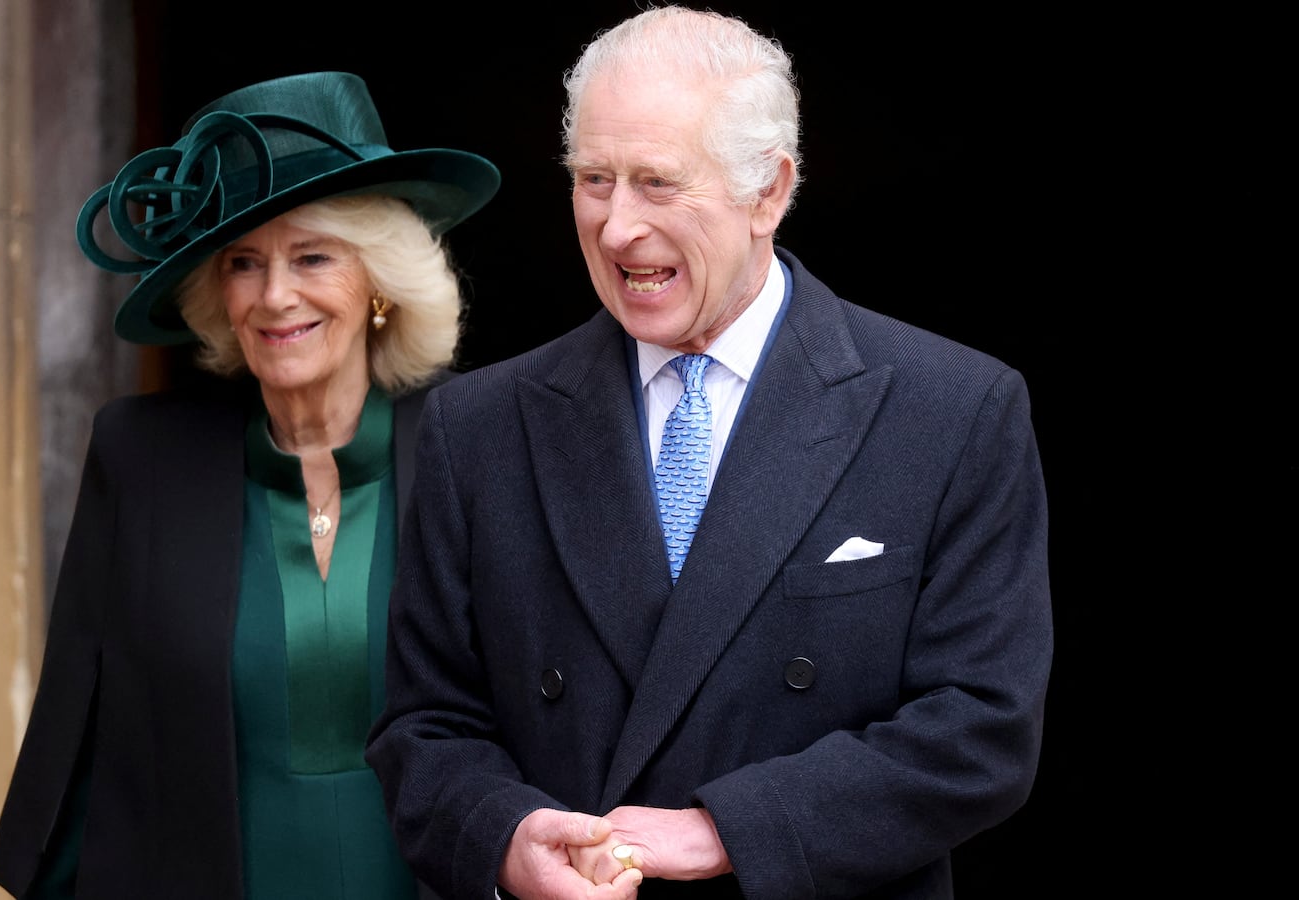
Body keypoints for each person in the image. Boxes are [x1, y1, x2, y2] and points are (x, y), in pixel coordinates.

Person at [364, 6, 1052, 899]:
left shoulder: (952, 410)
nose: (615, 228)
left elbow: (981, 730)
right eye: (594, 179)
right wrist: (507, 837)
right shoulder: (478, 427)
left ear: (769, 190)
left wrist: (728, 830)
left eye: (656, 183)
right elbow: (423, 728)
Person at [0, 70, 500, 899]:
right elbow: (84, 746)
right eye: (244, 263)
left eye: (312, 256)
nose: (275, 296)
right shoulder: (141, 462)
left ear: (377, 282)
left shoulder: (483, 444)